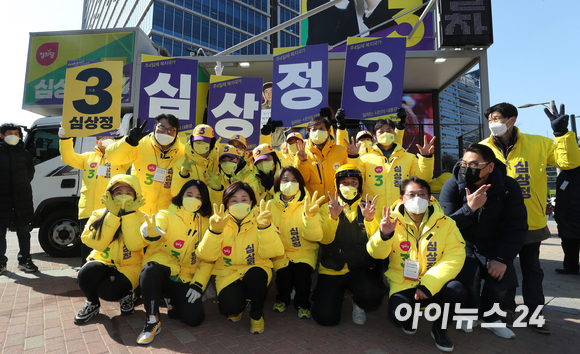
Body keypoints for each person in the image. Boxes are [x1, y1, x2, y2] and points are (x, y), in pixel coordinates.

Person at [480, 102, 580, 334]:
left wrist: (562, 135)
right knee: (497, 269)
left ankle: (534, 316)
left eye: (497, 118)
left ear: (511, 119)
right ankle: (500, 312)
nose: (493, 123)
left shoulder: (539, 143)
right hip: (496, 221)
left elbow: (570, 162)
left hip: (529, 221)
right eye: (490, 120)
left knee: (532, 271)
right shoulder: (482, 147)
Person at [367, 176, 466, 352]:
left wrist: (428, 285)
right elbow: (376, 253)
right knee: (398, 317)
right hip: (403, 281)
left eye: (422, 194)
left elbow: (455, 256)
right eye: (411, 194)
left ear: (429, 198)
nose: (417, 199)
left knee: (456, 290)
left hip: (434, 282)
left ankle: (439, 329)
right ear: (401, 199)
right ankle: (410, 316)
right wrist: (384, 236)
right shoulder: (390, 221)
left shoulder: (447, 223)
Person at [439, 144, 527, 339]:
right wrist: (469, 209)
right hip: (462, 242)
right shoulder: (452, 184)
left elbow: (517, 226)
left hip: (495, 244)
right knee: (470, 276)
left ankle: (491, 317)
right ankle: (468, 313)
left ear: (490, 167)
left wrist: (502, 258)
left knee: (502, 280)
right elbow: (445, 226)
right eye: (464, 163)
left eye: (474, 164)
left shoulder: (508, 186)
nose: (466, 167)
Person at [196, 182, 284, 334]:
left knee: (256, 276)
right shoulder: (219, 222)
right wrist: (214, 232)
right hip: (228, 274)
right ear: (227, 204)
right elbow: (205, 255)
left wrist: (265, 228)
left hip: (256, 269)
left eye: (244, 199)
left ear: (251, 202)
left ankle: (256, 314)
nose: (239, 203)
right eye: (234, 200)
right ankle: (241, 303)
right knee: (229, 308)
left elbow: (275, 251)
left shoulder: (261, 219)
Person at [136, 179, 214, 345]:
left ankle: (171, 301)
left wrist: (198, 284)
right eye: (189, 194)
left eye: (199, 197)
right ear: (182, 195)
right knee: (150, 270)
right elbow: (156, 225)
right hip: (163, 271)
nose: (193, 199)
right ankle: (152, 320)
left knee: (194, 318)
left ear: (204, 201)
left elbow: (207, 258)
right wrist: (150, 231)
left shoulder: (208, 224)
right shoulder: (167, 214)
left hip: (185, 276)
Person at [312, 164, 386, 326]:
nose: (349, 185)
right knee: (326, 318)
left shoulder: (370, 208)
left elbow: (376, 242)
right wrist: (333, 218)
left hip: (359, 268)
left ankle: (358, 303)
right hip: (331, 269)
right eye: (344, 182)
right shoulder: (326, 208)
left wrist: (370, 220)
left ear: (360, 184)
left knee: (373, 296)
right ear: (338, 185)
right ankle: (333, 295)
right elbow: (324, 240)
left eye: (354, 182)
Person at [74, 175, 146, 324]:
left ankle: (127, 294)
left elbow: (134, 245)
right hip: (103, 260)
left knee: (109, 291)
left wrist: (129, 215)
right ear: (110, 195)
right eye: (119, 193)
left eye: (128, 193)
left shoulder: (143, 218)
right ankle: (92, 303)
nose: (123, 197)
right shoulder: (98, 214)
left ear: (135, 196)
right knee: (85, 274)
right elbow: (96, 244)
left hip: (130, 266)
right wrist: (113, 215)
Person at [59, 130, 131, 265]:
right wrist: (65, 139)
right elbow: (68, 157)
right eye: (104, 137)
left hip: (112, 210)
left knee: (112, 242)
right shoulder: (88, 157)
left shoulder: (120, 159)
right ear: (97, 141)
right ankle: (86, 271)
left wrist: (121, 138)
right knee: (87, 242)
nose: (108, 138)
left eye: (111, 137)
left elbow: (128, 152)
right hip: (88, 210)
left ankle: (108, 270)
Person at [350, 118, 435, 221]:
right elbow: (354, 181)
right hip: (373, 216)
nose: (385, 133)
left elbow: (424, 180)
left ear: (394, 135)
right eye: (381, 131)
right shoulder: (364, 159)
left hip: (402, 214)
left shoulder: (409, 158)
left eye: (389, 130)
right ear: (375, 137)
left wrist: (426, 158)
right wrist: (353, 157)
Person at [270, 166, 325, 319]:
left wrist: (310, 217)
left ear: (300, 183)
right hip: (282, 251)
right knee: (283, 277)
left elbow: (315, 236)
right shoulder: (271, 204)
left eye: (294, 180)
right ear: (278, 183)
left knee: (303, 277)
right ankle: (282, 299)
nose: (290, 183)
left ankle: (302, 303)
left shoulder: (308, 203)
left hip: (305, 251)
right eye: (286, 180)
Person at [106, 114, 185, 215]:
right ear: (155, 127)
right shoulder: (140, 143)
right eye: (162, 127)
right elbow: (113, 158)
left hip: (166, 214)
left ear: (176, 132)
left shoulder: (183, 152)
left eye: (171, 129)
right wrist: (129, 141)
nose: (165, 132)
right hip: (138, 209)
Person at [0, 123, 37, 273]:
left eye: (16, 134)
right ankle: (1, 263)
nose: (14, 136)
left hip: (22, 199)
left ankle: (25, 260)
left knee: (23, 231)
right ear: (1, 135)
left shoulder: (25, 153)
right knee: (0, 233)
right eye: (10, 133)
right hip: (1, 200)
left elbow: (30, 174)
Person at [294, 114, 348, 204]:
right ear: (308, 133)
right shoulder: (302, 153)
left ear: (328, 131)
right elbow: (301, 181)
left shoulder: (341, 151)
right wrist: (303, 162)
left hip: (337, 204)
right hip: (313, 206)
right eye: (314, 129)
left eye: (321, 129)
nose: (317, 132)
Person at [171, 124, 220, 196]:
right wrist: (183, 176)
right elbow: (175, 194)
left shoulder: (219, 162)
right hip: (190, 206)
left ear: (212, 143)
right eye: (197, 141)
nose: (200, 144)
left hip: (212, 207)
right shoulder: (181, 163)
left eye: (205, 141)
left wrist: (217, 189)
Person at [554, 166, 580, 274]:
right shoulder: (562, 175)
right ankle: (570, 266)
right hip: (565, 215)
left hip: (575, 213)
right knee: (568, 242)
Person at [260, 82, 285, 151]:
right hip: (264, 144)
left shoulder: (281, 107)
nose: (269, 94)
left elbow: (287, 126)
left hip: (279, 144)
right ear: (264, 94)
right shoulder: (260, 108)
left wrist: (284, 125)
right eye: (266, 92)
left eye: (271, 91)